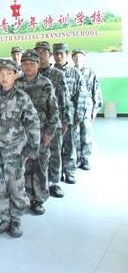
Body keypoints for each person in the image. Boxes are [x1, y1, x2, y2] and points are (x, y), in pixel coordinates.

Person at [0, 59, 40, 238]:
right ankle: (5, 219)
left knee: (16, 186)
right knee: (0, 187)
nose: (4, 77)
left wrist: (31, 149)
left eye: (8, 73)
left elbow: (33, 123)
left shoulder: (22, 98)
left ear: (15, 75)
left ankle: (16, 219)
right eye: (1, 73)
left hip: (15, 150)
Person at [16, 50, 60, 215]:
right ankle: (27, 197)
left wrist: (50, 132)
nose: (28, 67)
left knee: (40, 166)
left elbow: (53, 110)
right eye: (25, 64)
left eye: (31, 64)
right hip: (21, 134)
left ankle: (39, 199)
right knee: (25, 165)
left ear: (38, 64)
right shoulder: (16, 84)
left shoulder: (45, 83)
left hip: (41, 133)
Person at [35, 41, 69, 198]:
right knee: (39, 154)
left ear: (50, 54)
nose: (40, 54)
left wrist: (66, 120)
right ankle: (39, 183)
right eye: (38, 51)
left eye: (43, 51)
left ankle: (54, 183)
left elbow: (64, 99)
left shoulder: (57, 74)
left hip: (54, 121)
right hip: (36, 123)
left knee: (54, 153)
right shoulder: (31, 74)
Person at [52, 43, 87, 185]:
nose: (59, 56)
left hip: (70, 115)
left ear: (66, 55)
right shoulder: (50, 73)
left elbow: (82, 96)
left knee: (70, 145)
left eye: (61, 53)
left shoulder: (75, 72)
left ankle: (70, 172)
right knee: (55, 147)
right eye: (56, 53)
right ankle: (57, 172)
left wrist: (79, 116)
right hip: (54, 117)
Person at [71, 49, 103, 170]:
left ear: (84, 58)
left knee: (86, 134)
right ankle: (77, 159)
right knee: (75, 134)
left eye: (80, 56)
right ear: (72, 58)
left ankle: (86, 159)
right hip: (74, 108)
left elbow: (96, 90)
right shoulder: (70, 72)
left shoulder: (90, 73)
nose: (78, 59)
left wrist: (95, 109)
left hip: (87, 107)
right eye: (75, 57)